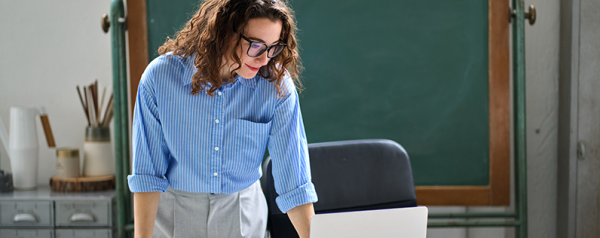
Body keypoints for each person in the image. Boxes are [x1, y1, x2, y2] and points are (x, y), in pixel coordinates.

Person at [127, 0, 318, 237]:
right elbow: (148, 175)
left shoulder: (276, 87)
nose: (265, 60)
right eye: (257, 46)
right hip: (173, 216)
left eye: (273, 48)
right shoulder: (159, 79)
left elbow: (294, 184)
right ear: (225, 33)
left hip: (242, 215)